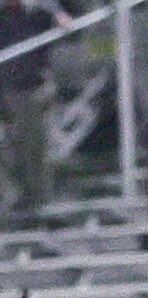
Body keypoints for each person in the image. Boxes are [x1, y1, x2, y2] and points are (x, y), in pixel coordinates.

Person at [0, 0, 66, 217]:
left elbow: (62, 21)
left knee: (35, 148)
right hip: (6, 90)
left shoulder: (39, 9)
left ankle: (38, 204)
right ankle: (16, 201)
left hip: (32, 88)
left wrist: (61, 20)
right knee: (11, 149)